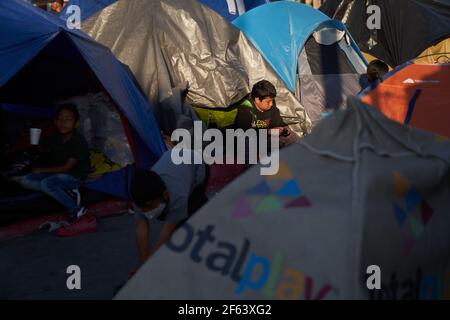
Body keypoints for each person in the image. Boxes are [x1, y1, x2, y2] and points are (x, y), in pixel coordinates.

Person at [19, 104, 94, 236]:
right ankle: (66, 193)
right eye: (59, 119)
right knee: (25, 180)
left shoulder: (78, 141)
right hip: (57, 175)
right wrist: (35, 145)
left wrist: (41, 170)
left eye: (68, 120)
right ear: (55, 121)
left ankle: (77, 210)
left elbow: (66, 168)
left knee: (47, 183)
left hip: (74, 176)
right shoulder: (56, 136)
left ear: (76, 124)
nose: (62, 123)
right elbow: (46, 151)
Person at [130, 149, 207, 267]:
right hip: (175, 161)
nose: (146, 211)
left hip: (196, 166)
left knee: (187, 222)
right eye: (143, 208)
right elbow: (141, 229)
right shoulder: (139, 197)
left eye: (150, 206)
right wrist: (143, 264)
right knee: (169, 215)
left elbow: (167, 232)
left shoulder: (178, 196)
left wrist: (150, 266)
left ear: (165, 194)